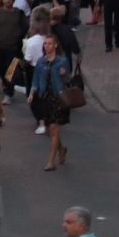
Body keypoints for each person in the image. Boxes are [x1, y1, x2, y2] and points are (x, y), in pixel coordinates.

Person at [30, 34, 73, 171]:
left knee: (54, 128)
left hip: (58, 98)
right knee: (52, 129)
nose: (46, 46)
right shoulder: (41, 62)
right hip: (45, 97)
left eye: (49, 44)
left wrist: (64, 74)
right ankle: (61, 149)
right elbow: (36, 79)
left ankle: (51, 161)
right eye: (45, 44)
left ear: (55, 45)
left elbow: (68, 79)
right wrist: (32, 93)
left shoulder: (62, 61)